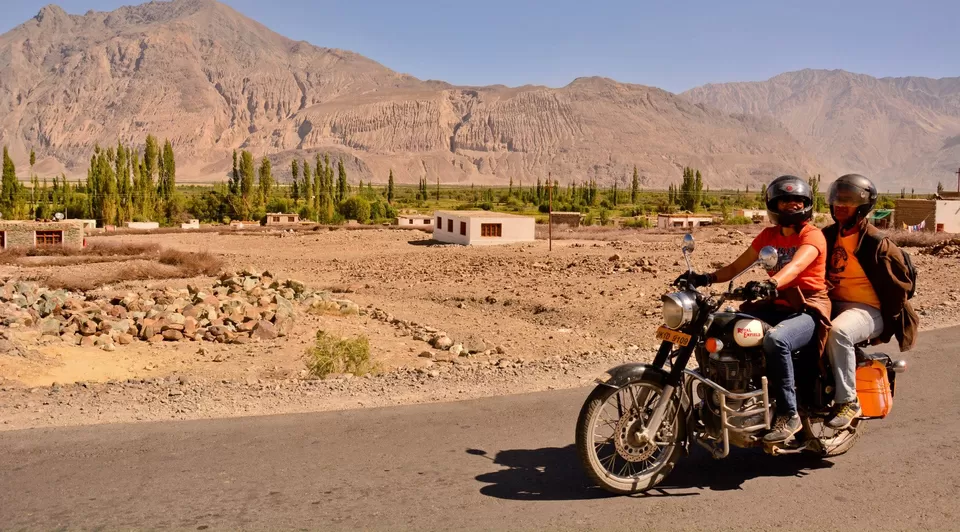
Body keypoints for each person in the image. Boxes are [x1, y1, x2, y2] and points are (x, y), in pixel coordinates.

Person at [676, 175, 831, 443]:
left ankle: (789, 414)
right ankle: (724, 394)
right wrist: (705, 278)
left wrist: (771, 283)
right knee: (722, 325)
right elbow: (737, 266)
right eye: (784, 201)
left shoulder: (812, 235)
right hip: (776, 305)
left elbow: (795, 266)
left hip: (807, 308)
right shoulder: (768, 235)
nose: (791, 205)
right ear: (773, 205)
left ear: (806, 204)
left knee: (777, 340)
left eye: (797, 201)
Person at [822, 174, 919, 429]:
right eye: (837, 200)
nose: (840, 205)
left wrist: (887, 328)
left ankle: (848, 401)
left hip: (869, 309)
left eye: (848, 201)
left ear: (862, 206)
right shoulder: (828, 236)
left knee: (838, 332)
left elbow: (898, 292)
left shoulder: (878, 244)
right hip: (833, 304)